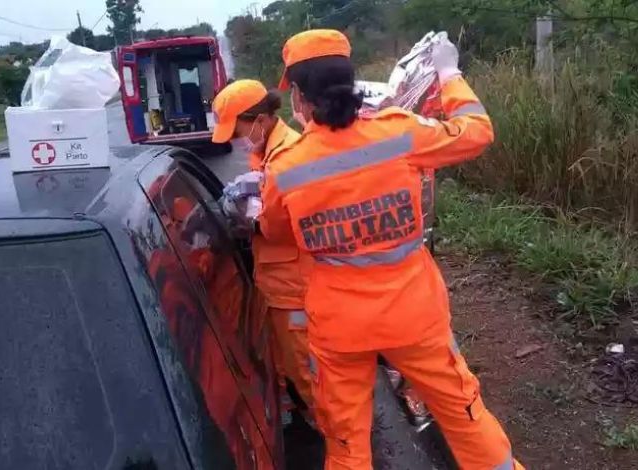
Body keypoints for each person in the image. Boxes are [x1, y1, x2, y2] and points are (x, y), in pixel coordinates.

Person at [259, 30, 524, 470]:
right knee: (464, 417)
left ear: (300, 99)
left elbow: (276, 232)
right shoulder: (399, 133)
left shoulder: (285, 168)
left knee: (346, 444)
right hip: (414, 316)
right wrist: (449, 73)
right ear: (352, 82)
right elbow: (477, 132)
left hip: (339, 328)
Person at [212, 80, 316, 418]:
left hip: (295, 290)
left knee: (309, 373)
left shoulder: (289, 155)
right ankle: (301, 411)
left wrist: (253, 219)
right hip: (277, 286)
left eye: (238, 130)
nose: (237, 140)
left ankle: (337, 435)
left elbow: (296, 222)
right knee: (287, 362)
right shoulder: (266, 152)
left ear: (258, 118)